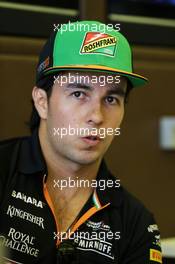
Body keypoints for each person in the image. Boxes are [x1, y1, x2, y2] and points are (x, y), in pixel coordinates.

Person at [0, 21, 162, 264]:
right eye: (78, 94)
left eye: (111, 99)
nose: (96, 116)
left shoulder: (135, 224)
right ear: (42, 102)